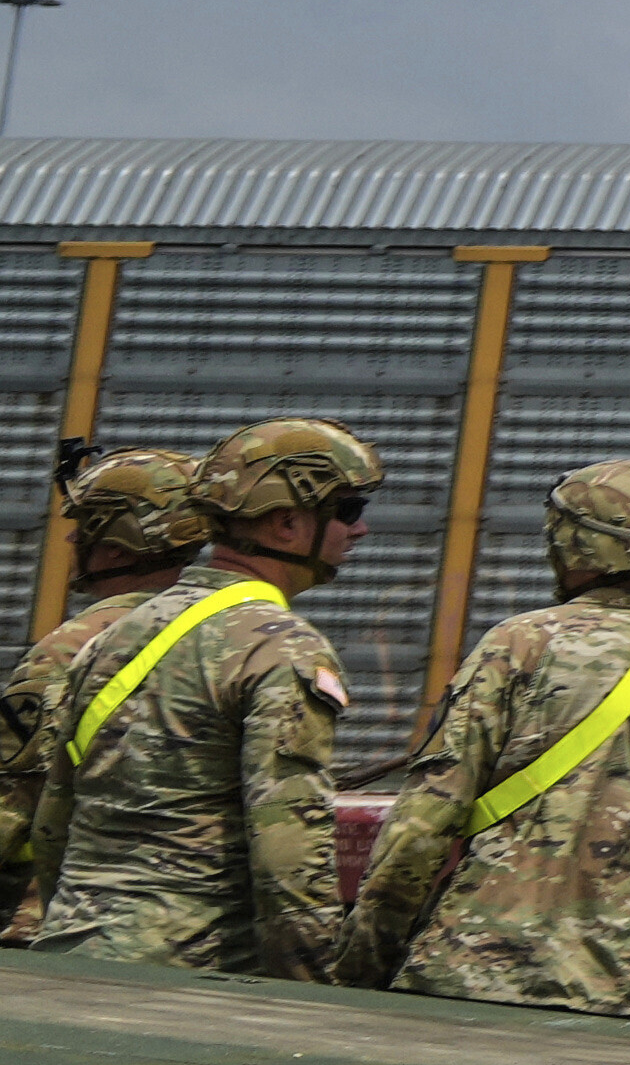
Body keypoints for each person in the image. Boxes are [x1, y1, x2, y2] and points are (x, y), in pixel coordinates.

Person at [352, 456, 630, 1023]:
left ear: (570, 544)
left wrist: (362, 965)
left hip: (463, 978)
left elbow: (422, 827)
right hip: (610, 993)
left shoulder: (519, 645)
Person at [9, 416, 378, 979]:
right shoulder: (282, 647)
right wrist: (313, 991)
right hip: (193, 978)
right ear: (285, 523)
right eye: (349, 511)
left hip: (72, 959)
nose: (360, 531)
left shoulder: (114, 634)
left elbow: (54, 817)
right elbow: (289, 852)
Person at [0, 447, 216, 929]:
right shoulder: (226, 635)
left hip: (55, 915)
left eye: (86, 523)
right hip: (187, 921)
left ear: (116, 543)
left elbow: (11, 798)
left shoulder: (75, 645)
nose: (73, 537)